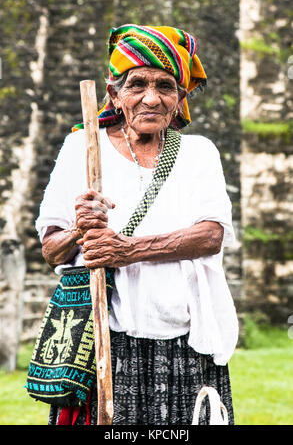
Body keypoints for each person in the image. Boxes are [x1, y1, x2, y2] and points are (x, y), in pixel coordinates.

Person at [35, 24, 238, 425]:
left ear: (180, 98)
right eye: (136, 84)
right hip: (103, 339)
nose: (151, 97)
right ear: (114, 93)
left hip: (185, 340)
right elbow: (50, 248)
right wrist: (81, 227)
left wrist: (127, 250)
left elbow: (211, 235)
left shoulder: (199, 154)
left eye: (165, 86)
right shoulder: (82, 147)